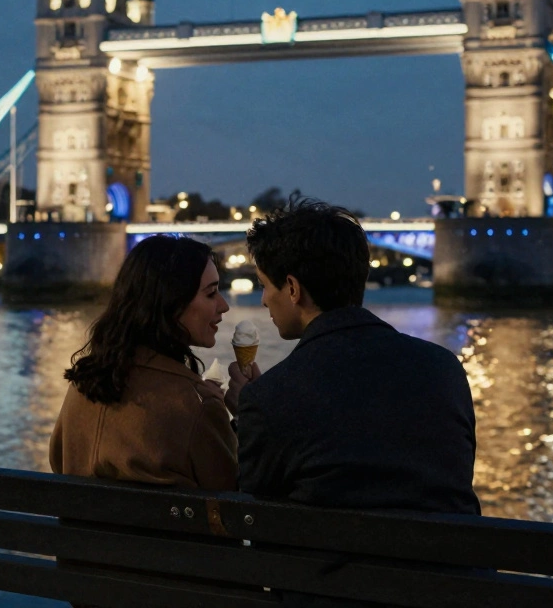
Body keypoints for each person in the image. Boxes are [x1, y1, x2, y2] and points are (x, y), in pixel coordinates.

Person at [228, 198, 480, 515]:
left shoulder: (270, 398)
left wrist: (249, 414)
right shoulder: (445, 370)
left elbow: (255, 512)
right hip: (450, 561)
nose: (264, 300)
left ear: (292, 288)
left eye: (264, 285)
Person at [50, 234, 236, 491]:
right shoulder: (196, 404)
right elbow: (234, 503)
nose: (223, 306)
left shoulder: (82, 385)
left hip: (75, 531)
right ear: (172, 301)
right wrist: (243, 416)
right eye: (211, 293)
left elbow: (59, 464)